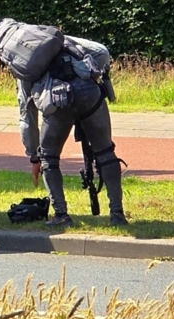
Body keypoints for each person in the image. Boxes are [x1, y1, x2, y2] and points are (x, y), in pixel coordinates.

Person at [17, 46, 128, 229]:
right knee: (106, 152)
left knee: (49, 158)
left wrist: (34, 156)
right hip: (90, 93)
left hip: (58, 99)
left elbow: (27, 115)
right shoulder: (64, 42)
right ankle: (117, 214)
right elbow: (102, 53)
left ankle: (61, 215)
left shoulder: (22, 61)